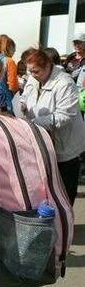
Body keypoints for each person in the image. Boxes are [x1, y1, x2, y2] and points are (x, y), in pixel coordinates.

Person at [20, 49, 85, 205]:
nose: (32, 74)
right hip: (43, 144)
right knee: (46, 190)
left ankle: (65, 222)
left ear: (47, 66)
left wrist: (34, 123)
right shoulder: (33, 78)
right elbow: (25, 95)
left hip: (64, 147)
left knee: (65, 190)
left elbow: (65, 115)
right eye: (30, 71)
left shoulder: (64, 83)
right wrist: (23, 103)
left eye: (36, 71)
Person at [0, 34, 19, 109]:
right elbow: (12, 86)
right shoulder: (9, 61)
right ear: (10, 47)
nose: (14, 51)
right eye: (14, 49)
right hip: (5, 100)